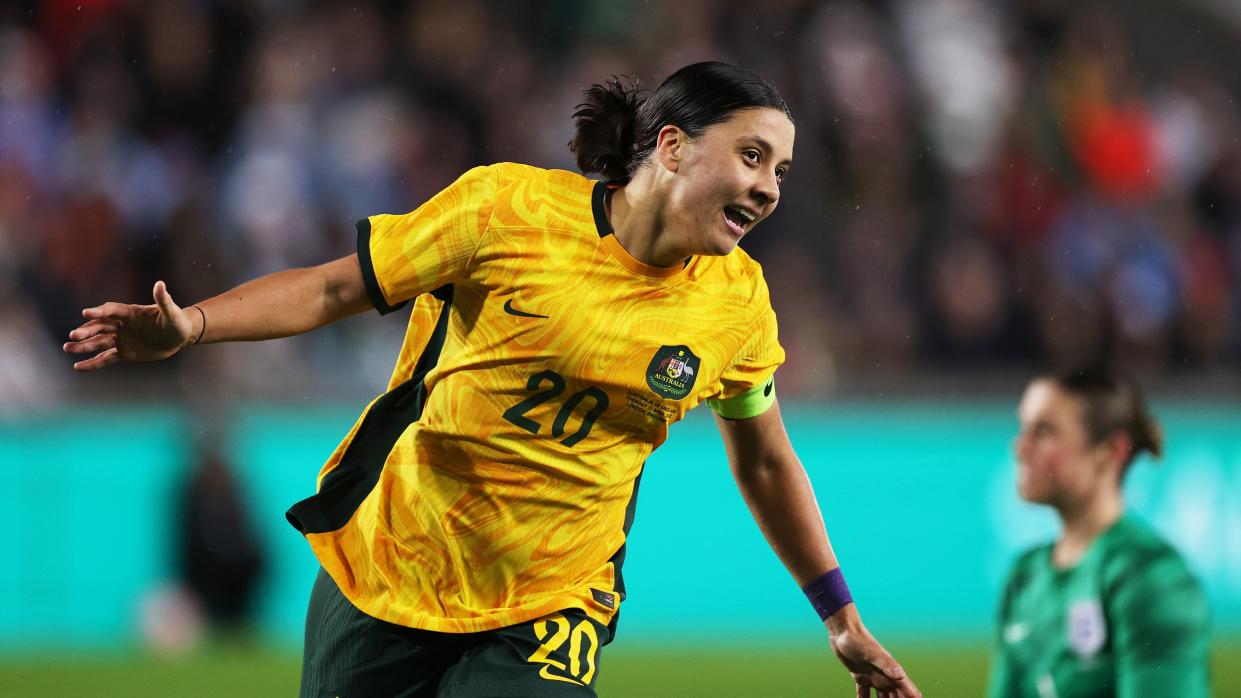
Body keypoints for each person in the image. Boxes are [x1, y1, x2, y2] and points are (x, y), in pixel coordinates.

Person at [64, 61, 921, 698]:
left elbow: (765, 460)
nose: (769, 188)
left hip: (551, 602)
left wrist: (840, 617)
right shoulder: (505, 212)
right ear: (670, 146)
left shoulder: (738, 306)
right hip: (392, 563)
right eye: (753, 156)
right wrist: (195, 325)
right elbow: (335, 287)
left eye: (781, 171)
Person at [991, 369, 1211, 697]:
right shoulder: (1024, 577)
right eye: (1023, 428)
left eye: (1044, 431)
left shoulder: (1151, 576)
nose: (1020, 447)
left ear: (1111, 451)